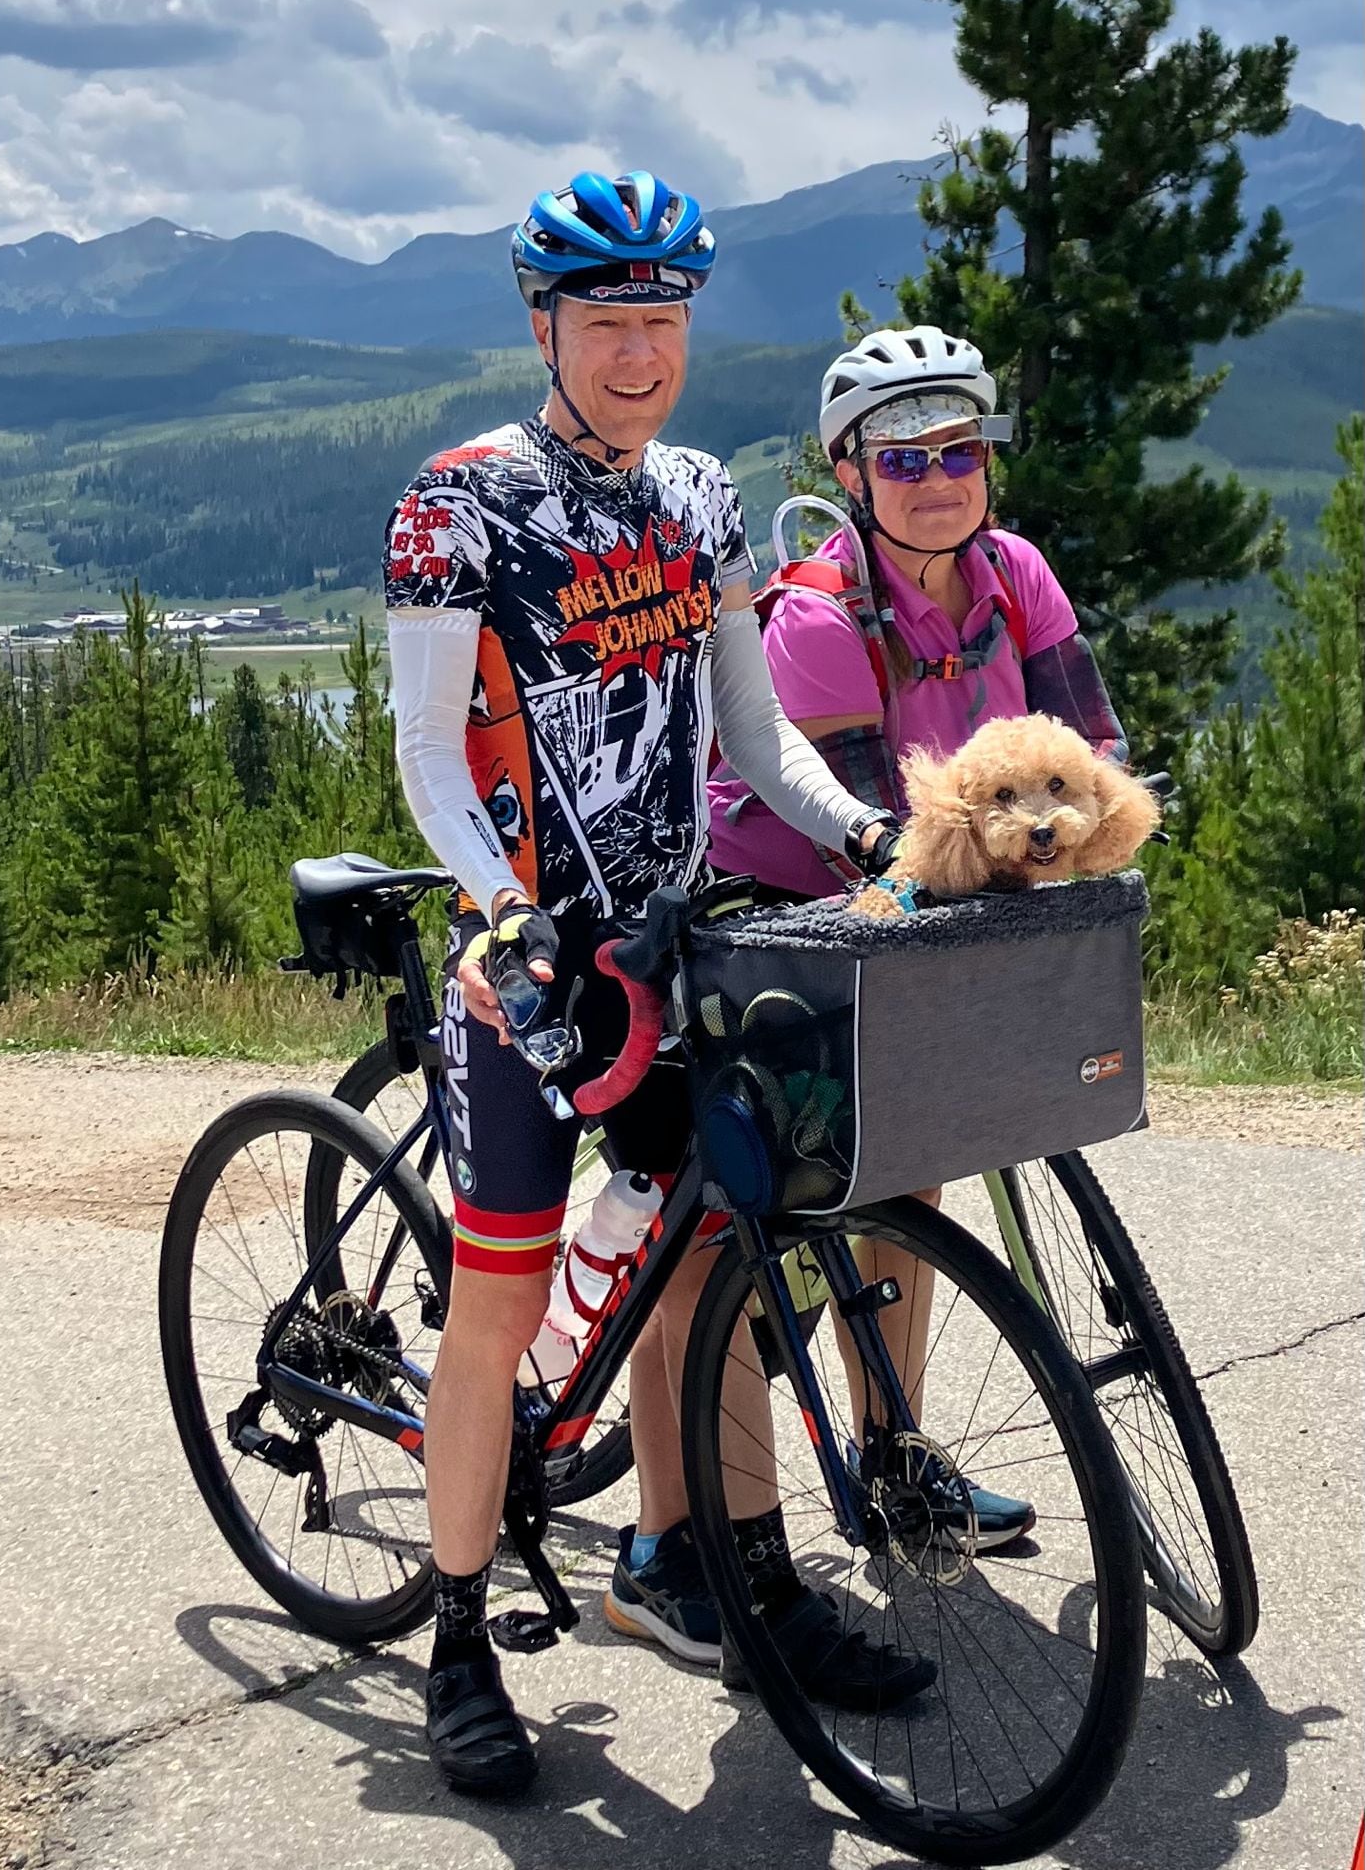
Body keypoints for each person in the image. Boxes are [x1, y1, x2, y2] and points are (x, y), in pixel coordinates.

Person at [384, 173, 930, 1801]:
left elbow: (751, 740)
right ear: (542, 322)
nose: (638, 349)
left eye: (663, 316)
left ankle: (738, 1574)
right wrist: (500, 917)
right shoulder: (460, 502)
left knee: (710, 1258)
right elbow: (425, 750)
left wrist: (866, 834)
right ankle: (459, 1637)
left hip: (667, 945)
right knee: (495, 1307)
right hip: (528, 966)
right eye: (606, 318)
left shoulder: (698, 496)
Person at [709, 324, 1132, 1545]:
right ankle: (727, 1497)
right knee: (771, 1192)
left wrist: (1077, 829)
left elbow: (1085, 743)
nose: (938, 475)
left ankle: (894, 1453)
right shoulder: (818, 615)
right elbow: (883, 836)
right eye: (902, 459)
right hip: (796, 903)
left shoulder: (1017, 574)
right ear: (848, 473)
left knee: (917, 1169)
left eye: (959, 447)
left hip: (943, 901)